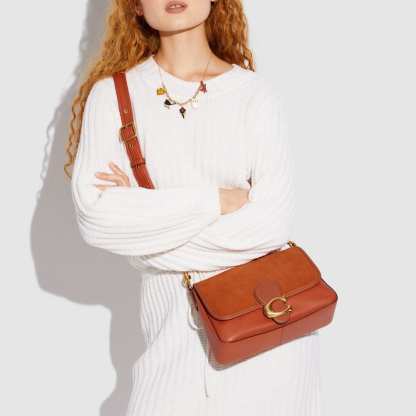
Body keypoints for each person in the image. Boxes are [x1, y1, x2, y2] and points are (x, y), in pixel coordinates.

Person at [65, 0, 322, 414]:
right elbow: (96, 219)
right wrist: (215, 200)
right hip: (169, 346)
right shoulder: (114, 96)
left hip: (271, 344)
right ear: (135, 6)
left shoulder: (254, 95)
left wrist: (145, 230)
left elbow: (270, 226)